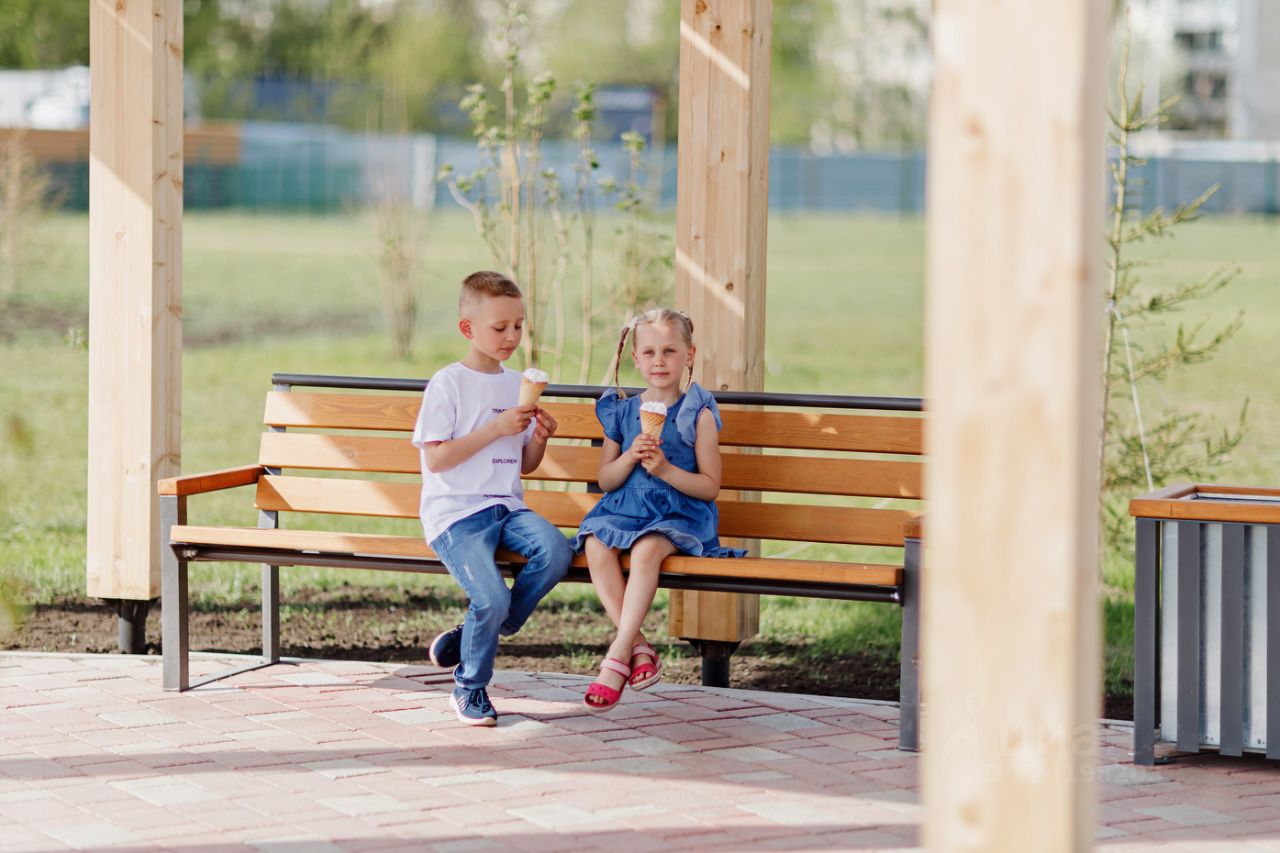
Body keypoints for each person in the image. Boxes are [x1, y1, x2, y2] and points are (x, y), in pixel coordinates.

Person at [412, 271, 572, 726]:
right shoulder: (448, 383)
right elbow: (437, 459)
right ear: (467, 328)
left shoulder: (517, 383)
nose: (512, 336)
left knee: (557, 551)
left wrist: (540, 438)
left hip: (508, 506)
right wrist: (495, 428)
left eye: (518, 326)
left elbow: (524, 465)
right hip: (457, 513)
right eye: (500, 327)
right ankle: (469, 687)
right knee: (492, 597)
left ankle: (476, 630)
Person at [573, 308, 744, 713]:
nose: (659, 361)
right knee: (596, 545)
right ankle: (638, 646)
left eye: (670, 351)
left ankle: (617, 656)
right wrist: (629, 457)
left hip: (678, 514)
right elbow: (606, 480)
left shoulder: (697, 414)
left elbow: (710, 486)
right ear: (636, 358)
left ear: (689, 354)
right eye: (649, 352)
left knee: (647, 549)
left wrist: (665, 470)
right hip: (626, 511)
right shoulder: (622, 412)